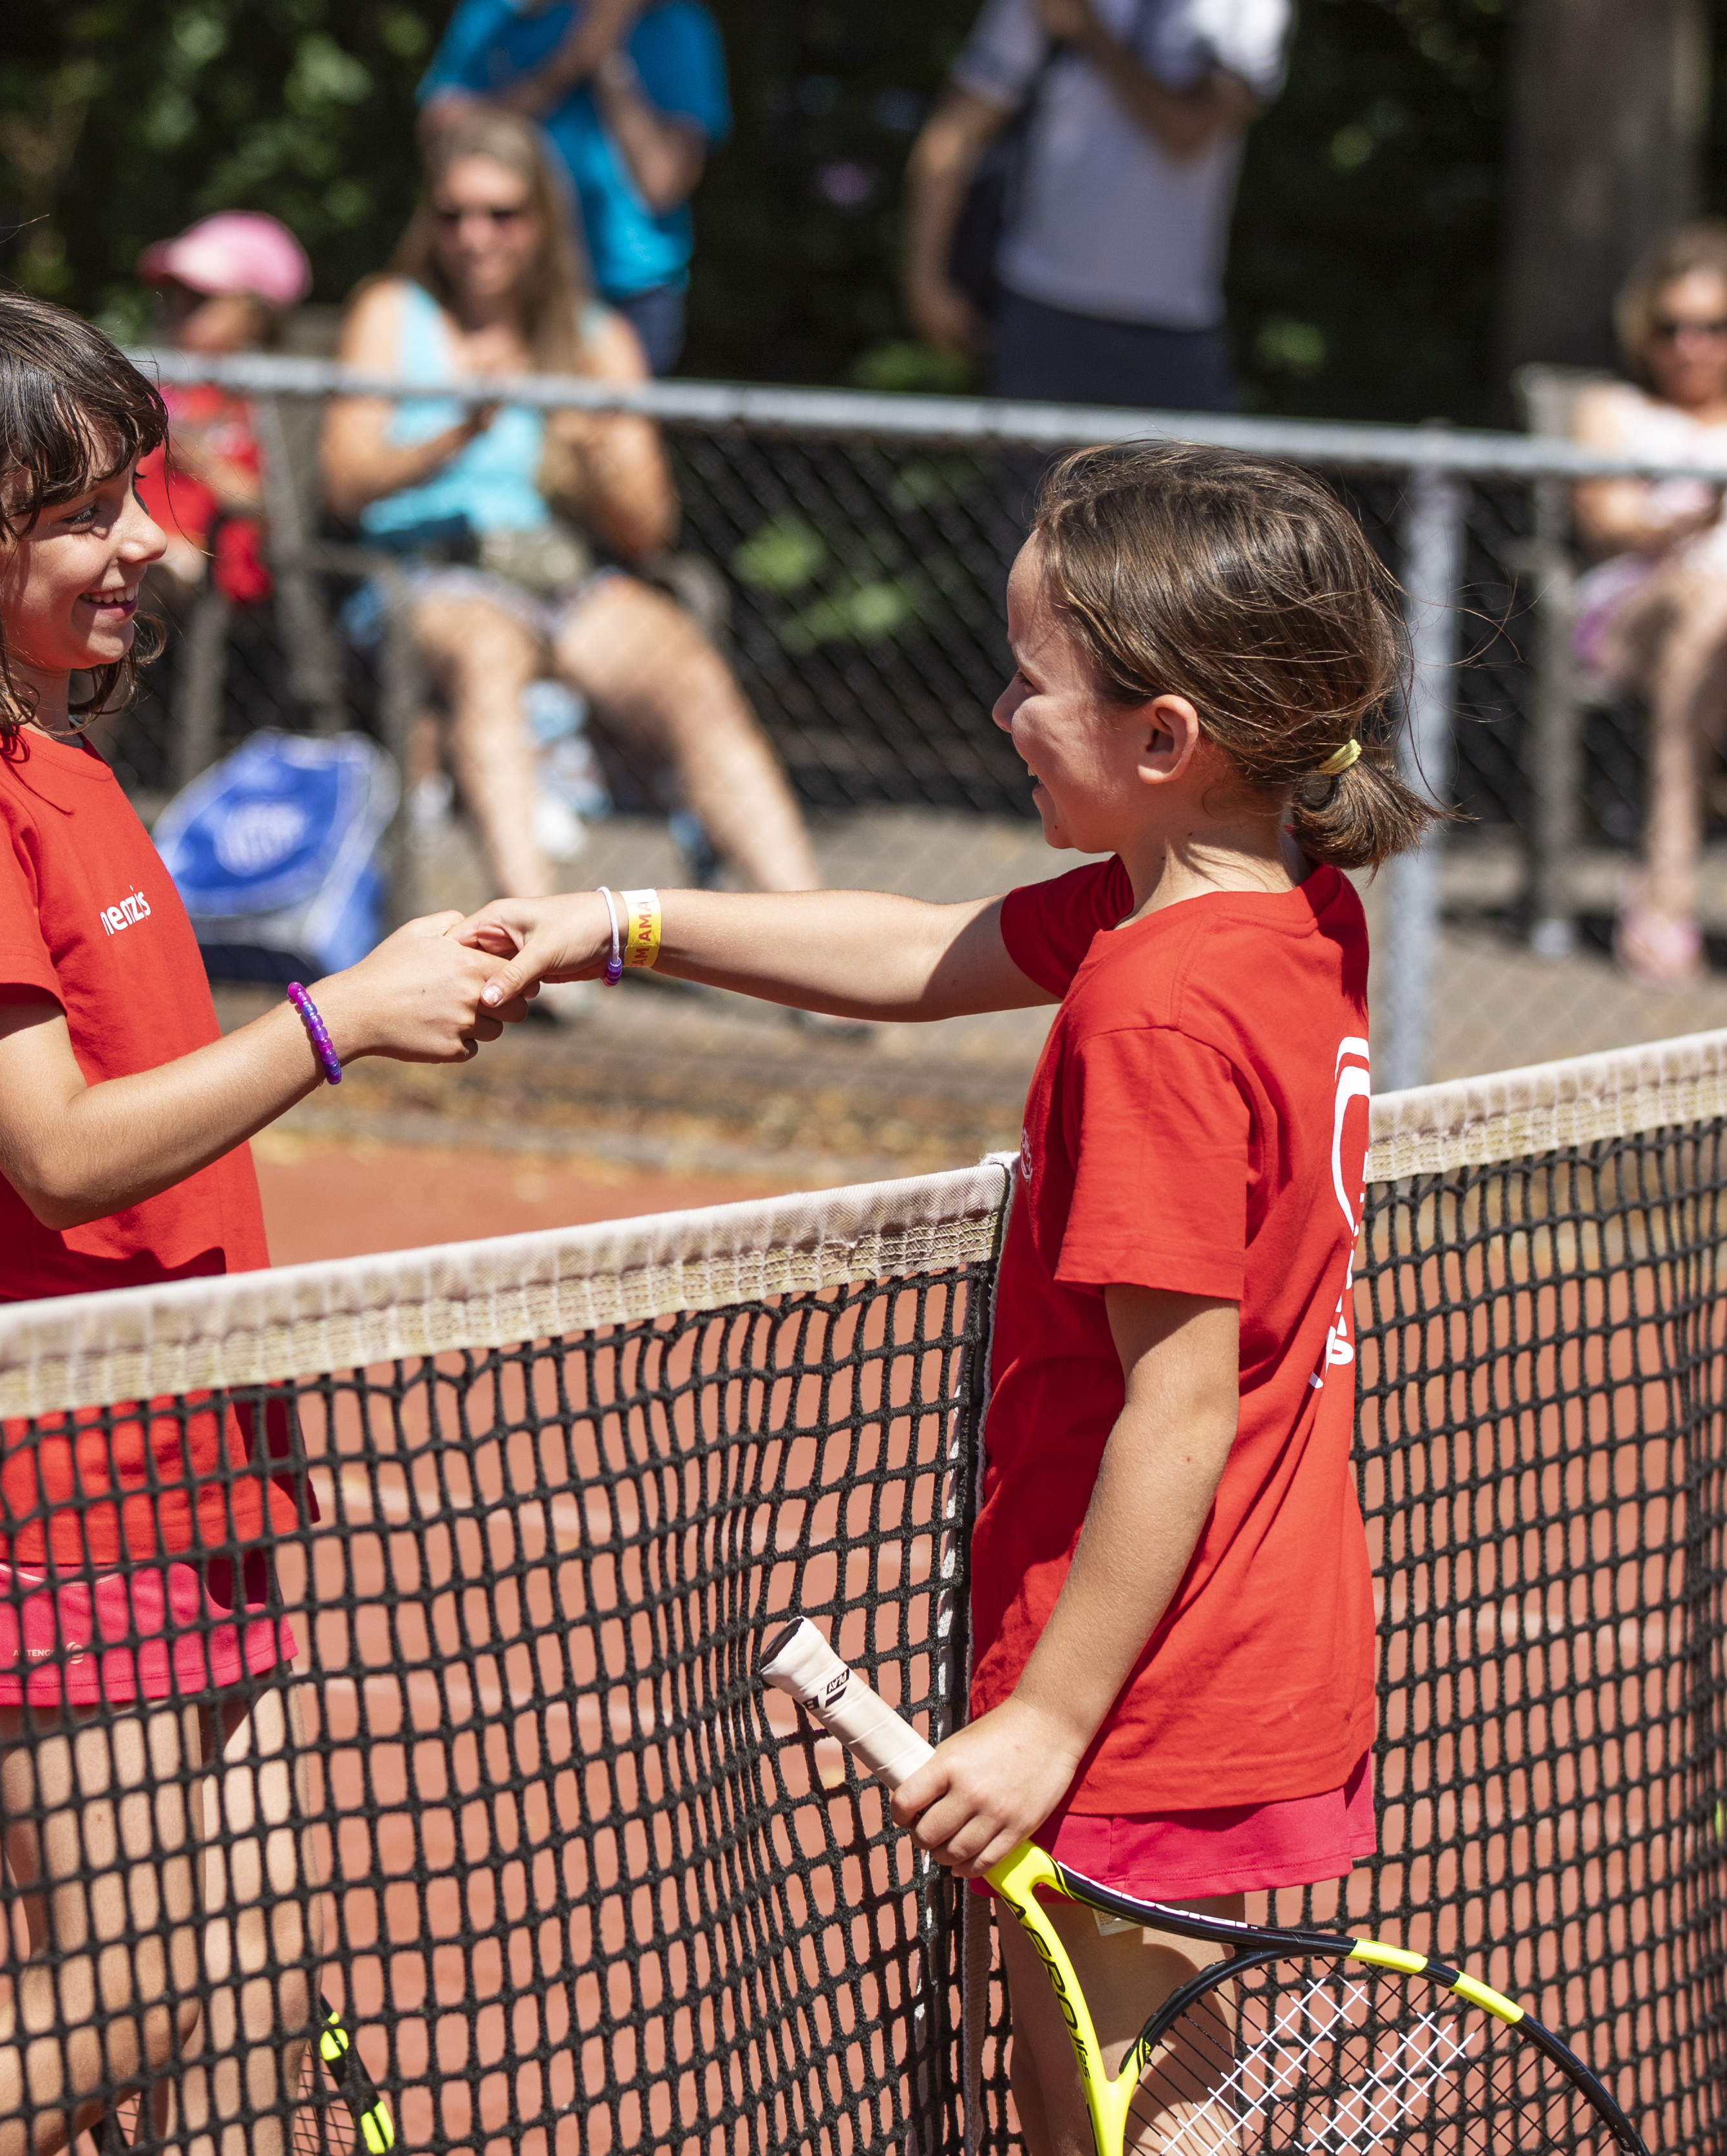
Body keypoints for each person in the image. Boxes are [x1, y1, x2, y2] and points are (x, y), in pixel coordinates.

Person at [455, 442, 1442, 2150]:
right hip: (1234, 1642)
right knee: (1105, 2100)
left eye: (1030, 681)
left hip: (1149, 1679)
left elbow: (1179, 1397)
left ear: (1163, 740)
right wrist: (621, 919)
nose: (998, 709)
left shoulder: (1150, 1009)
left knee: (1131, 2105)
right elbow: (919, 953)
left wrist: (1049, 1719)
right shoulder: (1284, 910)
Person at [0, 281, 523, 2151]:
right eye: (89, 508)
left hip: (190, 1452)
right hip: (39, 1476)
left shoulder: (66, 770)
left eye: (139, 495)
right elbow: (65, 1151)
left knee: (247, 2015)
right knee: (134, 1995)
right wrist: (338, 1019)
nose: (149, 544)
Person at [318, 108, 821, 916]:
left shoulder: (595, 336)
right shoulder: (391, 311)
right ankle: (534, 941)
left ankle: (811, 942)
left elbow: (648, 531)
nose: (474, 236)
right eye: (452, 215)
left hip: (559, 573)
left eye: (501, 215)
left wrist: (593, 457)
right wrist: (457, 431)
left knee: (689, 672)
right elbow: (341, 485)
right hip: (425, 575)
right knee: (489, 653)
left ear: (542, 223)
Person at [902, 0, 1291, 411]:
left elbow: (1187, 131)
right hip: (1042, 316)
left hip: (1177, 328)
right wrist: (926, 280)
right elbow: (954, 135)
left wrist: (1089, 31)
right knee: (1035, 480)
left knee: (1201, 478)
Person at [1571, 221, 1727, 988]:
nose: (1688, 345)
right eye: (1670, 327)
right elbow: (1602, 520)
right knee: (1702, 609)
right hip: (1636, 606)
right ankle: (1664, 891)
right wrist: (1686, 520)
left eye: (1710, 327)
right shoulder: (1612, 408)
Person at [417, 0, 728, 375]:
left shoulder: (677, 25)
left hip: (626, 295)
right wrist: (567, 63)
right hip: (506, 289)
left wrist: (608, 60)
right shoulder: (499, 13)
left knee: (605, 431)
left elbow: (662, 183)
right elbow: (443, 141)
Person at [135, 209, 313, 612]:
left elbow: (277, 507)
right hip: (143, 544)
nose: (176, 311)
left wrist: (203, 461)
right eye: (175, 295)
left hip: (212, 567)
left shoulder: (267, 407)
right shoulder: (157, 387)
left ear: (256, 317)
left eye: (200, 300)